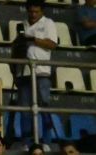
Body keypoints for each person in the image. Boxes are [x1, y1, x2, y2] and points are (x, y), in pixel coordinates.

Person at [11, 0, 57, 144]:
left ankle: (47, 142)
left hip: (42, 72)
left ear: (42, 11)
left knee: (44, 107)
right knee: (25, 110)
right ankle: (26, 142)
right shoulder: (22, 25)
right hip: (23, 72)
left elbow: (52, 44)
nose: (33, 14)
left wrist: (33, 40)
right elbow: (15, 49)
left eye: (36, 12)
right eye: (31, 11)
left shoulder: (48, 23)